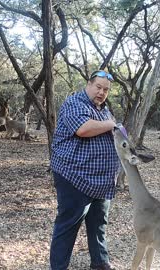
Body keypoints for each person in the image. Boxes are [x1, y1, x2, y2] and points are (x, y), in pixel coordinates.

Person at [49, 70, 120, 270]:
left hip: (101, 181)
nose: (101, 92)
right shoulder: (75, 103)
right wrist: (111, 124)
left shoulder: (104, 110)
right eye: (98, 87)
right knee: (68, 225)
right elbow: (84, 129)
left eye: (106, 90)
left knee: (99, 224)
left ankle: (100, 263)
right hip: (74, 177)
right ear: (88, 84)